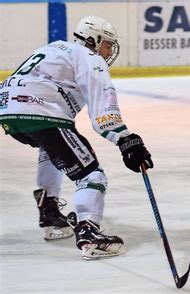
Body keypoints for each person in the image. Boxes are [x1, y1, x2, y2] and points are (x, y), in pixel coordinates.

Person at [0, 16, 154, 259]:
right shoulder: (90, 57)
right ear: (93, 40)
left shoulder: (53, 48)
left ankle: (50, 214)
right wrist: (126, 141)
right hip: (41, 111)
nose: (110, 51)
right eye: (107, 44)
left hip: (9, 112)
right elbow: (103, 107)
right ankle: (89, 233)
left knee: (52, 150)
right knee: (92, 175)